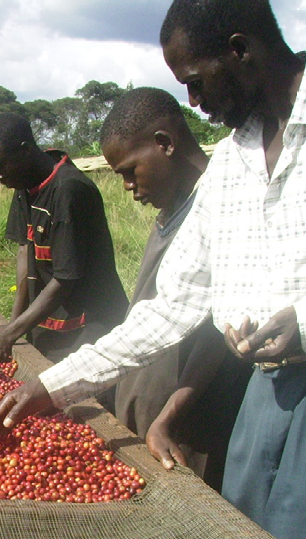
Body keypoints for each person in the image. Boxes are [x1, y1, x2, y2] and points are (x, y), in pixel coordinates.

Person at [0, 0, 306, 539]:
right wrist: (54, 385)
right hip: (264, 388)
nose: (194, 102)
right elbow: (170, 306)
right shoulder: (232, 164)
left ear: (240, 49)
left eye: (196, 82)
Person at [102, 87, 250, 492]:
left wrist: (168, 417)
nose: (128, 186)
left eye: (130, 171)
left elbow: (219, 329)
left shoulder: (220, 209)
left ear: (165, 143)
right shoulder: (173, 209)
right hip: (150, 419)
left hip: (185, 430)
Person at [0, 112, 130, 365]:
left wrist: (11, 333)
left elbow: (66, 279)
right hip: (48, 320)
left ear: (24, 151)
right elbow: (25, 252)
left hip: (89, 327)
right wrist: (13, 325)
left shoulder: (69, 190)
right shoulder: (24, 183)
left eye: (0, 166)